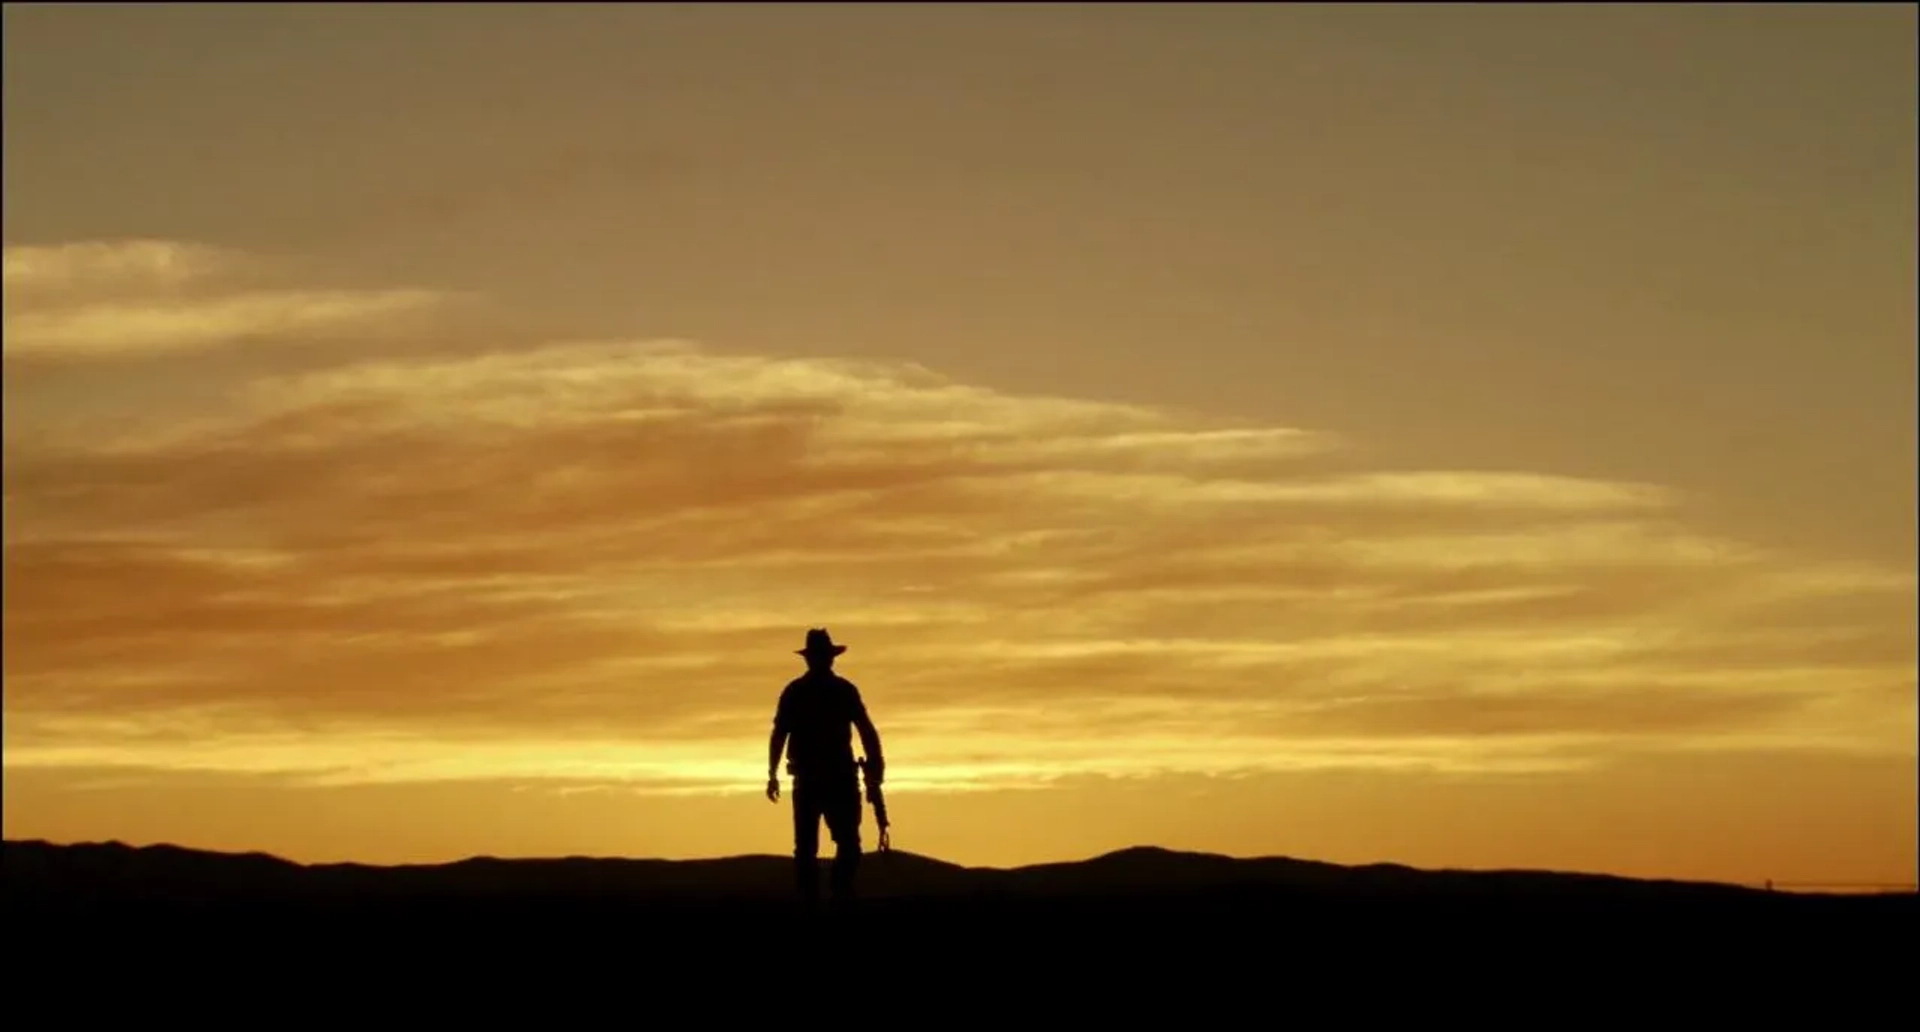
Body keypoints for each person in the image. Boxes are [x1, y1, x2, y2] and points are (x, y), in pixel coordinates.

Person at [766, 627, 884, 912]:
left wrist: (772, 774)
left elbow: (779, 734)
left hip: (825, 778)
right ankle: (832, 896)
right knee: (825, 845)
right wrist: (771, 773)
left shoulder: (800, 692)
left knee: (829, 845)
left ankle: (831, 896)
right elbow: (780, 733)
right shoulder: (838, 691)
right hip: (825, 779)